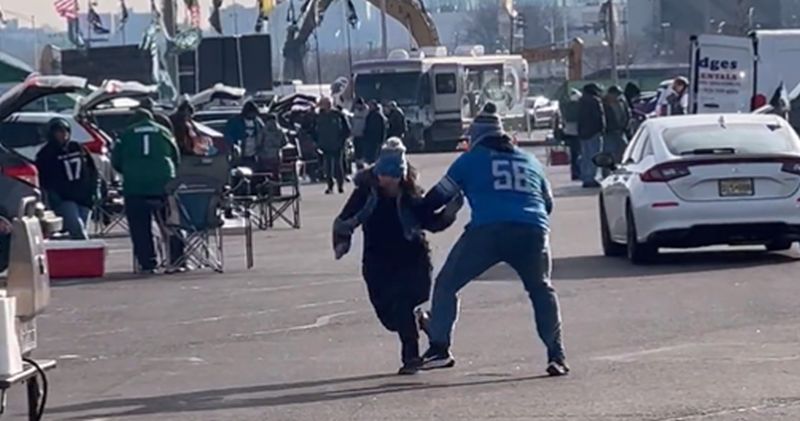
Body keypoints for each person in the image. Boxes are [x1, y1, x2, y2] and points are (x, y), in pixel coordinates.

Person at [419, 105, 569, 377]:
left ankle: (439, 347)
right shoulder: (530, 161)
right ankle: (556, 355)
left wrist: (415, 213)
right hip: (533, 231)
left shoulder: (471, 160)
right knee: (541, 289)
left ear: (475, 137)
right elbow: (547, 203)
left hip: (488, 231)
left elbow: (436, 198)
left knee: (447, 284)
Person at [333, 138, 463, 375]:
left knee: (403, 304)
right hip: (378, 260)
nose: (389, 181)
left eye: (394, 176)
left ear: (402, 175)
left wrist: (449, 213)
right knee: (389, 317)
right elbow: (345, 220)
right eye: (385, 175)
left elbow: (430, 221)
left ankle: (411, 357)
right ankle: (426, 322)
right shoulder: (365, 192)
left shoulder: (411, 193)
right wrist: (342, 243)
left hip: (413, 258)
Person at [112, 109, 182, 274]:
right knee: (172, 223)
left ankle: (148, 263)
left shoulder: (126, 134)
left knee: (140, 227)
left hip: (135, 187)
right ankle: (177, 259)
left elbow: (116, 160)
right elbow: (175, 157)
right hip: (163, 184)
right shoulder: (164, 131)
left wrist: (129, 171)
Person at [35, 117, 100, 240]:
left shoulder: (78, 148)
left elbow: (93, 171)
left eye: (65, 131)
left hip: (84, 198)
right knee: (78, 230)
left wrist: (95, 190)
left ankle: (79, 257)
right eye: (58, 131)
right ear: (51, 134)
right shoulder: (45, 154)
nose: (63, 134)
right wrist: (52, 196)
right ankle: (86, 254)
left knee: (81, 231)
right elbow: (43, 179)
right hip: (64, 199)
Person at [315, 97, 351, 194]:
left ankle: (340, 185)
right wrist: (317, 142)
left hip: (337, 144)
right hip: (325, 145)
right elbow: (314, 130)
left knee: (338, 166)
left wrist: (342, 140)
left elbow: (347, 129)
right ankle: (330, 186)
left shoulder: (338, 115)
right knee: (327, 167)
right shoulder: (319, 116)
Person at [577, 83, 605, 188]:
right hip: (594, 132)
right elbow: (599, 117)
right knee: (594, 156)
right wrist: (602, 129)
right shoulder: (595, 101)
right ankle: (591, 178)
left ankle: (585, 177)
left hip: (583, 133)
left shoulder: (581, 101)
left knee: (585, 156)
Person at [225, 100, 266, 168]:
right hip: (240, 154)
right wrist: (233, 146)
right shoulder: (235, 121)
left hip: (254, 155)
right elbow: (228, 135)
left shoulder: (258, 122)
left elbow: (263, 133)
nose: (253, 115)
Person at [557, 89, 582, 181]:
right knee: (578, 154)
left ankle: (575, 173)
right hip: (576, 132)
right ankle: (577, 172)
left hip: (568, 132)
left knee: (574, 154)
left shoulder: (566, 106)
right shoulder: (577, 107)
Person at [603, 86, 631, 166]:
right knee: (609, 152)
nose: (616, 96)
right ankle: (607, 172)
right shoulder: (603, 103)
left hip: (621, 130)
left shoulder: (622, 101)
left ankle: (621, 167)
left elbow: (627, 113)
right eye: (615, 94)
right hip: (609, 132)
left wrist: (626, 124)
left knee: (624, 149)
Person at [363, 101, 387, 165]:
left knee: (375, 156)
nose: (369, 107)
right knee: (370, 157)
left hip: (376, 139)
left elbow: (383, 128)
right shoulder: (369, 115)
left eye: (371, 106)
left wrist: (382, 139)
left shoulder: (379, 116)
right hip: (369, 138)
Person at [351, 98, 369, 169]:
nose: (357, 107)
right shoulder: (355, 111)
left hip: (363, 134)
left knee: (362, 151)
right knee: (357, 151)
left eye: (358, 105)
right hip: (355, 134)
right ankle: (358, 165)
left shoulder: (367, 111)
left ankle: (363, 165)